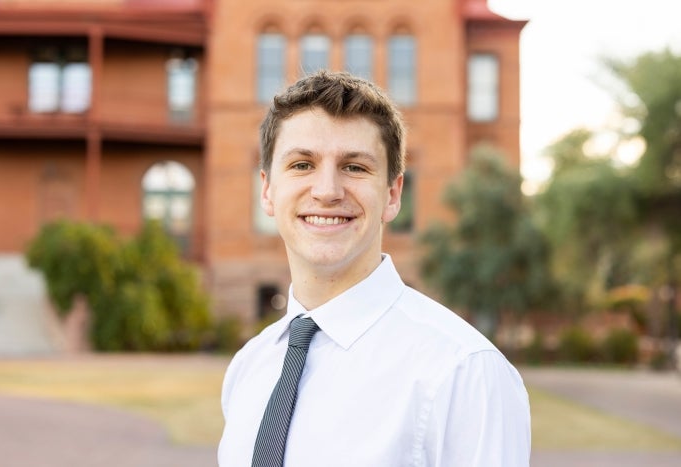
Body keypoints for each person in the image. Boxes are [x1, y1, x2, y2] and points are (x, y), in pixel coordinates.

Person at [218, 70, 531, 466]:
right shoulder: (249, 366)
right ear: (267, 190)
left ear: (393, 194)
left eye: (355, 167)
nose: (327, 190)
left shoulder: (463, 372)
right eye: (301, 165)